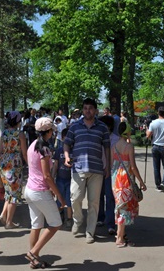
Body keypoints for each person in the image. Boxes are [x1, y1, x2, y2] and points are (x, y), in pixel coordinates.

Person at [63, 98, 111, 244]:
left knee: (94, 203)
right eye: (85, 108)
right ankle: (77, 220)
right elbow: (66, 144)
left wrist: (108, 165)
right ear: (82, 110)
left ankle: (90, 231)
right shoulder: (74, 126)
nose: (87, 111)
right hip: (78, 168)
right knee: (75, 198)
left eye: (90, 108)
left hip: (97, 169)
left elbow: (107, 148)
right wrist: (66, 157)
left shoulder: (102, 127)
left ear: (95, 110)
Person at [25, 117, 67, 269]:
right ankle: (33, 252)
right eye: (52, 131)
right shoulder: (44, 149)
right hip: (40, 191)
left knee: (36, 225)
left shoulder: (32, 145)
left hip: (29, 189)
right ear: (48, 132)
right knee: (56, 223)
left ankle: (34, 259)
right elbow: (47, 175)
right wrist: (60, 196)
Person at [111, 121, 146, 247]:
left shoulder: (114, 146)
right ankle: (119, 238)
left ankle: (120, 234)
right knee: (124, 209)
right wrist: (141, 182)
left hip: (115, 179)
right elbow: (133, 166)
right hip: (126, 179)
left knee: (119, 207)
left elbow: (112, 165)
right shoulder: (129, 147)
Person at [0, 110, 27, 229]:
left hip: (4, 164)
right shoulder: (20, 135)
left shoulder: (3, 133)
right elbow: (24, 153)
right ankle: (9, 222)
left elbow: (0, 150)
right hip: (15, 165)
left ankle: (3, 214)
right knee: (14, 193)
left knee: (9, 192)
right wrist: (30, 164)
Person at [96, 116, 118, 236]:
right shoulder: (98, 137)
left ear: (109, 126)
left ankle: (110, 223)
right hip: (98, 169)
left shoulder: (115, 140)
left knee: (109, 197)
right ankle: (100, 217)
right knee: (98, 195)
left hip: (111, 171)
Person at [51, 127, 73, 228]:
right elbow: (55, 165)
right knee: (59, 199)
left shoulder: (74, 151)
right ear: (62, 138)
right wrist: (52, 176)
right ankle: (59, 215)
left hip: (70, 180)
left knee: (69, 200)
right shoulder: (59, 151)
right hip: (60, 179)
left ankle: (69, 219)